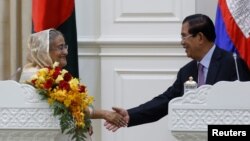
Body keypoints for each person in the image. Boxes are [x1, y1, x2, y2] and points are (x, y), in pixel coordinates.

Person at [104, 14, 250, 131]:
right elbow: (166, 101)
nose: (181, 42)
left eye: (184, 36)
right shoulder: (187, 71)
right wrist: (130, 115)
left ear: (199, 38)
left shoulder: (232, 63)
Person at [19, 29, 127, 138]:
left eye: (65, 46)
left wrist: (83, 119)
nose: (66, 52)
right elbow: (70, 105)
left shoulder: (57, 74)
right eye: (60, 47)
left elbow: (75, 105)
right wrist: (105, 114)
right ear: (44, 51)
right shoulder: (35, 76)